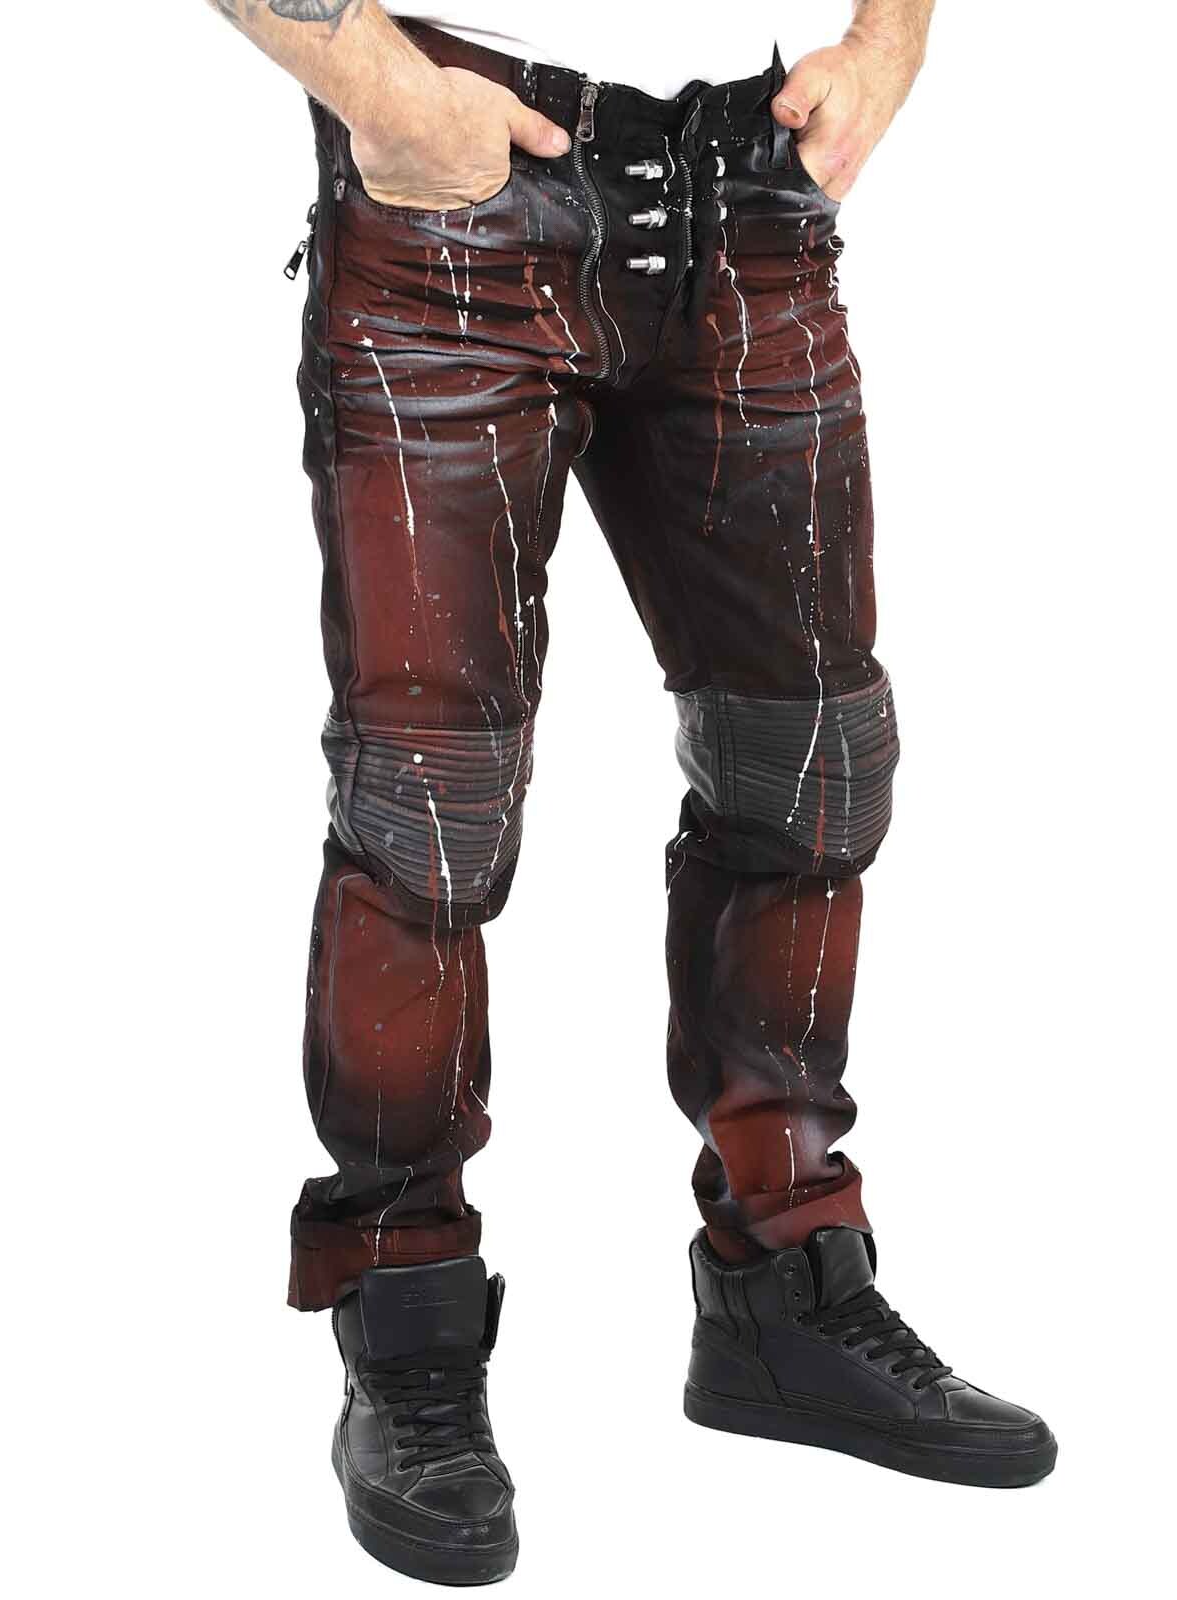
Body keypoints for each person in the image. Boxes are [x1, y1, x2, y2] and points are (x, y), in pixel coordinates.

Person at [208, 0, 1056, 1582]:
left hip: (757, 193)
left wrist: (892, 43)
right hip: (457, 211)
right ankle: (406, 1320)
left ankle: (784, 1289)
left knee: (810, 762)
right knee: (429, 808)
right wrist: (378, 86)